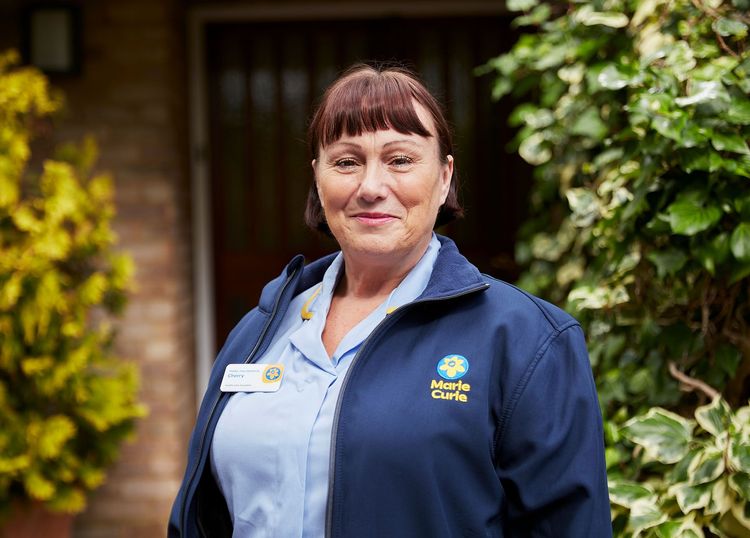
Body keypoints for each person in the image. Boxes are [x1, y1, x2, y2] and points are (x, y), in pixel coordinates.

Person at [168, 63, 612, 538]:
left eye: (400, 160)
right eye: (346, 162)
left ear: (444, 178)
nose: (371, 187)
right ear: (318, 179)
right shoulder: (260, 330)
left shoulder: (529, 340)